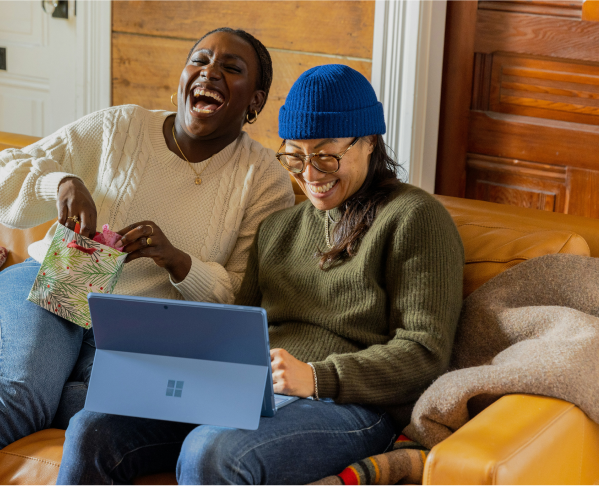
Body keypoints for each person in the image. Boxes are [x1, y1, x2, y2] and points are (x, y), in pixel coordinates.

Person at [0, 27, 294, 486]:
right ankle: (8, 391)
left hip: (138, 334)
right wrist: (60, 183)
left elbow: (243, 297)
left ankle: (0, 386)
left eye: (231, 69)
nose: (210, 72)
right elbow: (1, 177)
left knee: (110, 408)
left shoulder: (265, 181)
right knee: (17, 393)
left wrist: (178, 261)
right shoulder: (121, 127)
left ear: (254, 101)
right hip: (49, 284)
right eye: (200, 60)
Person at [57, 64, 465, 485]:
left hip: (352, 405)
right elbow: (238, 331)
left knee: (211, 451)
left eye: (326, 156)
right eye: (295, 157)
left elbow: (425, 352)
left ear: (368, 143)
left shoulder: (415, 218)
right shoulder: (278, 229)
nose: (310, 175)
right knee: (93, 428)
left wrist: (319, 377)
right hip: (252, 393)